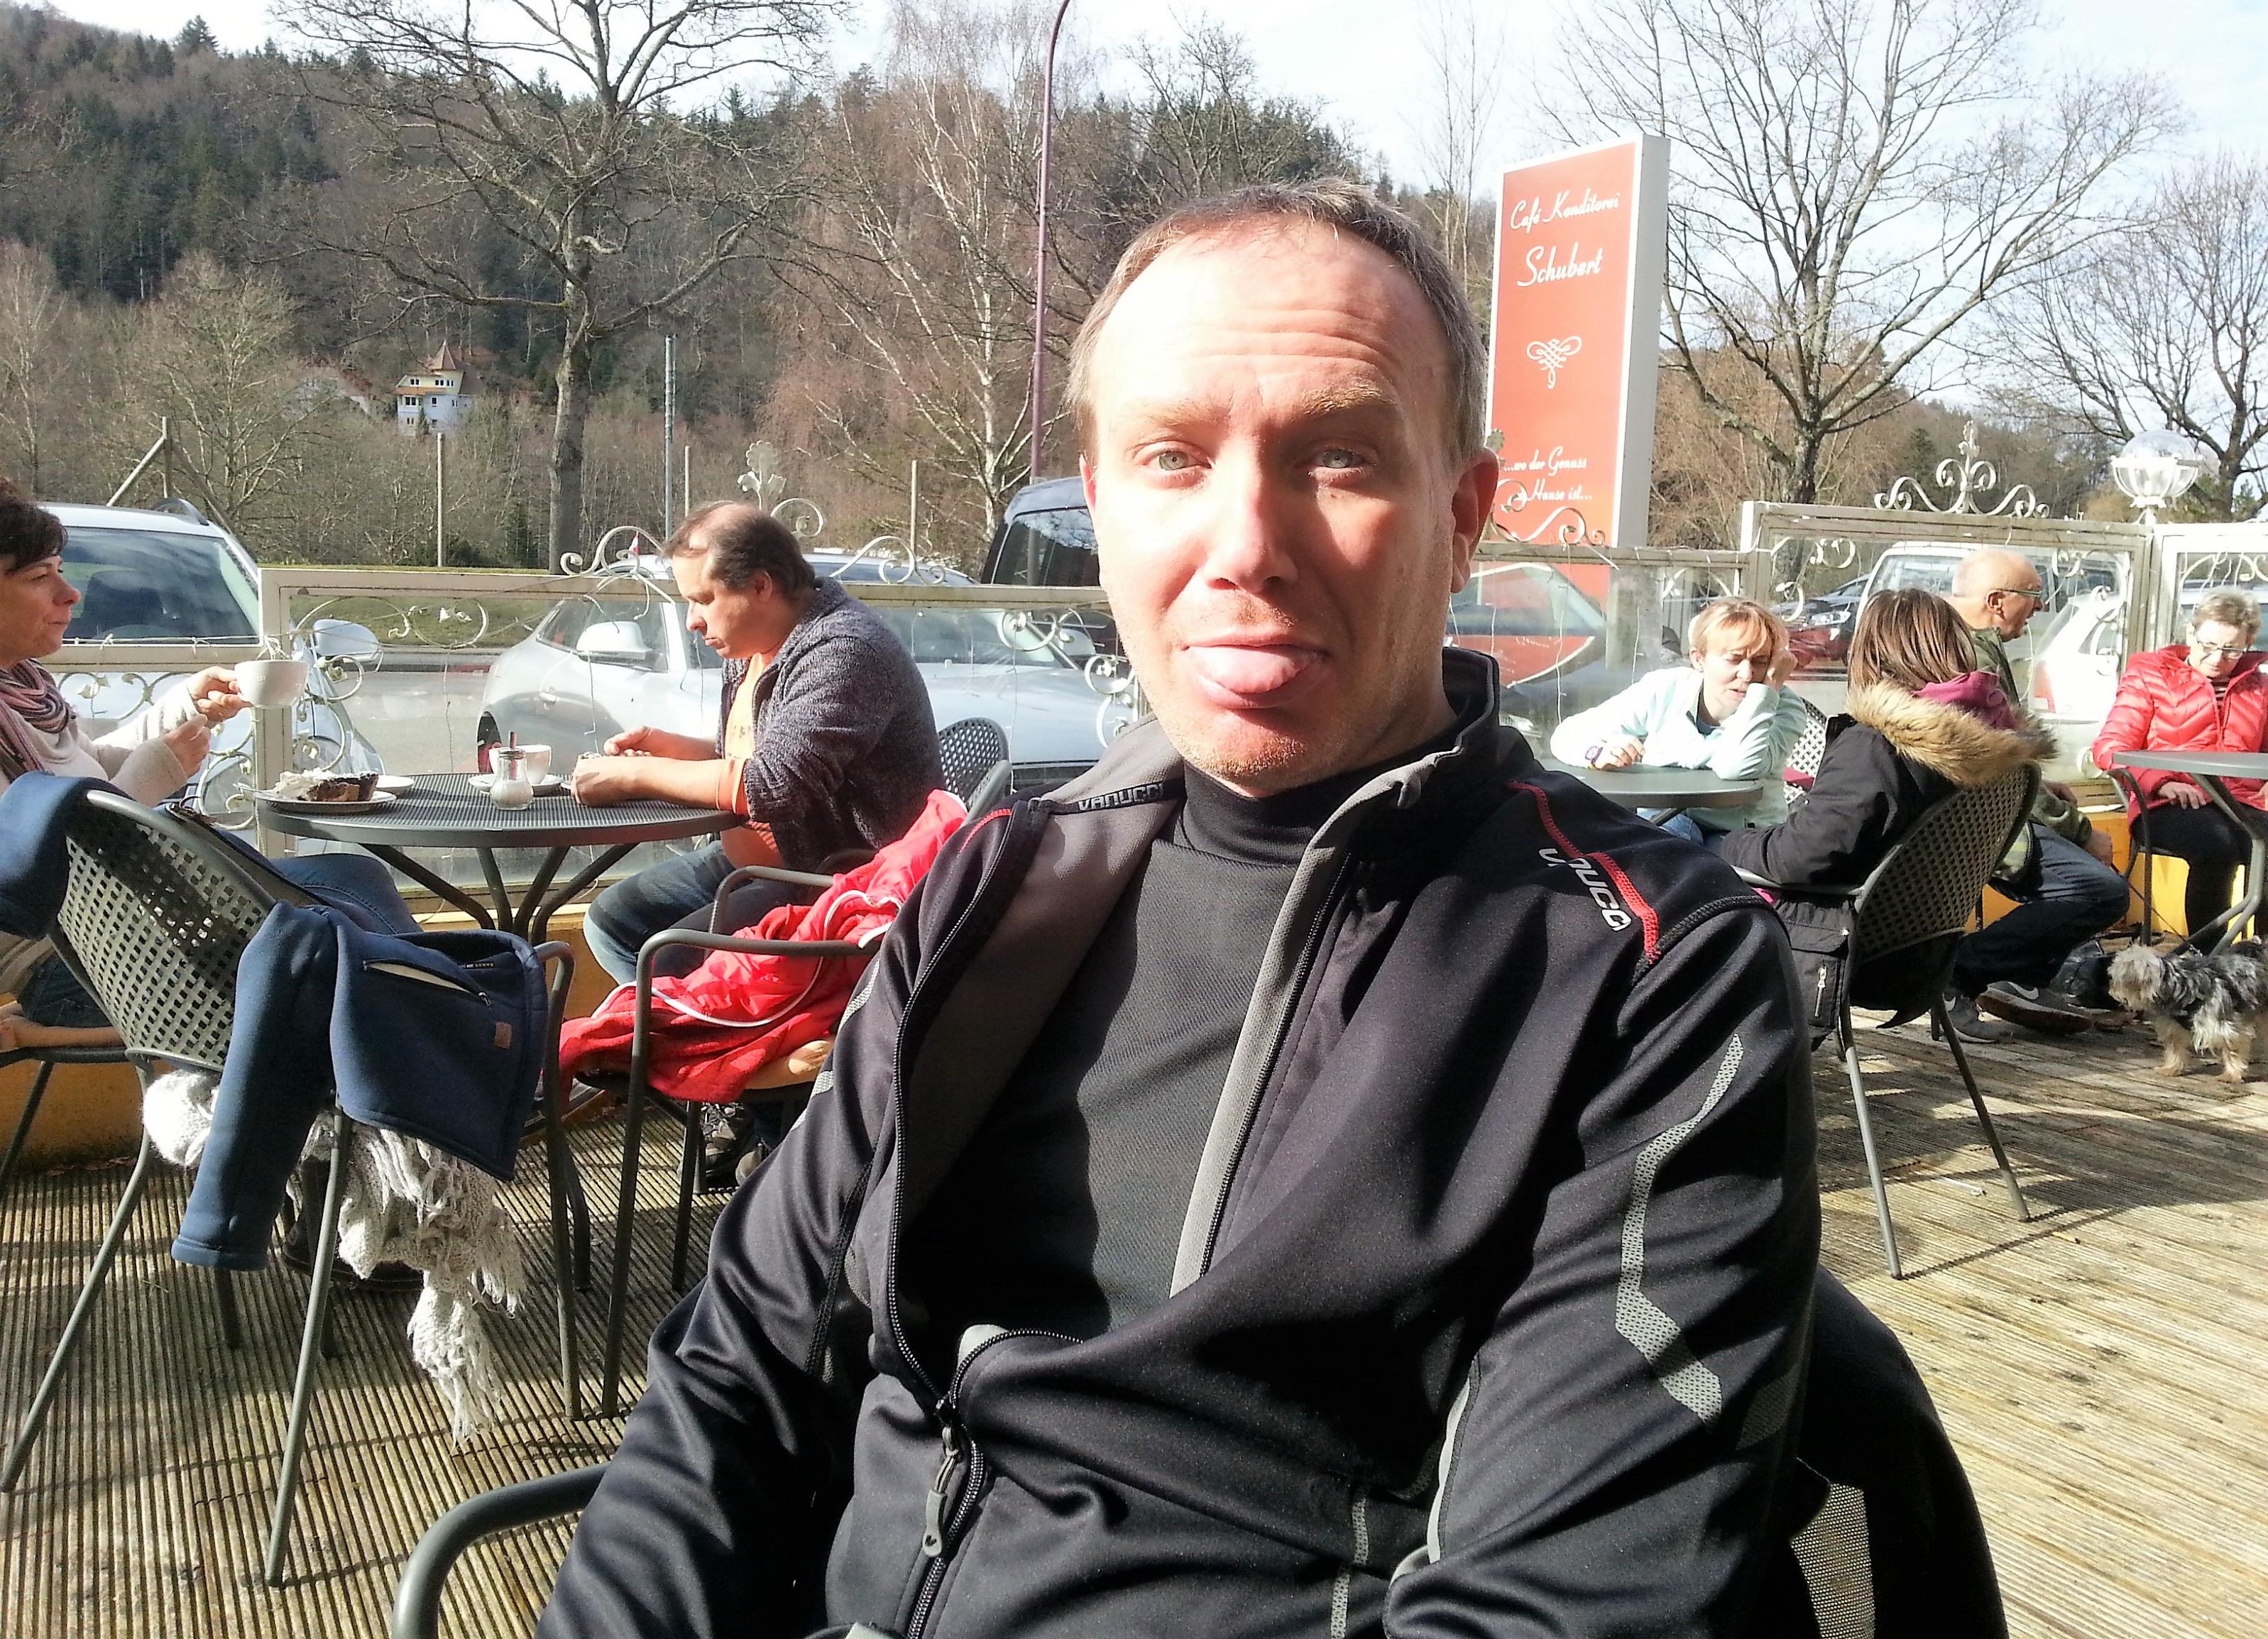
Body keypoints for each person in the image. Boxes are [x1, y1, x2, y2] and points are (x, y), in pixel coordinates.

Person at [542, 182, 1819, 1637]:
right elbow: (740, 1366)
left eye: (1339, 457)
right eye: (1172, 459)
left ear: (1463, 518)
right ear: (1100, 508)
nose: (1245, 544)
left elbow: (1556, 1606)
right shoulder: (995, 886)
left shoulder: (1651, 974)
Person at [571, 503, 943, 986]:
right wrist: (672, 749)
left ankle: (699, 1028)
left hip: (833, 883)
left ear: (760, 586)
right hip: (759, 862)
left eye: (703, 599)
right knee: (613, 922)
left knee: (667, 961)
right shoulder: (755, 644)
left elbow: (774, 785)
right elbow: (758, 757)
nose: (692, 621)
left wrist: (633, 776)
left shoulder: (846, 651)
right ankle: (682, 1022)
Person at [0, 476, 247, 1052]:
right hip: (66, 964)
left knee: (331, 920)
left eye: (61, 570)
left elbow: (87, 771)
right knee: (288, 984)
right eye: (39, 577)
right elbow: (46, 858)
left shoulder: (22, 687)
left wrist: (184, 711)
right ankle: (39, 1033)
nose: (70, 594)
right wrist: (152, 776)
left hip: (117, 936)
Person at [1721, 589, 2056, 1015]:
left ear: (1871, 655)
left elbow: (1802, 857)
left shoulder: (1879, 746)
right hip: (1924, 953)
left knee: (1684, 882)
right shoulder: (1992, 742)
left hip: (1837, 949)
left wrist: (1728, 844)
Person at [1939, 549, 2127, 1037]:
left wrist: (2039, 785)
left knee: (2091, 886)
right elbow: (1999, 763)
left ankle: (2022, 978)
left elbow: (1998, 752)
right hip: (1971, 821)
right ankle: (1957, 973)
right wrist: (2081, 831)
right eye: (2033, 596)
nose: (2041, 608)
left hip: (1983, 810)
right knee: (2101, 891)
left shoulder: (1954, 639)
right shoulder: (1968, 654)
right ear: (1997, 601)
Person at [2091, 589, 2268, 948]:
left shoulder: (2259, 687)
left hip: (2242, 800)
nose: (2217, 658)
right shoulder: (2151, 674)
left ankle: (2261, 956)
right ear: (2191, 633)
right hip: (2167, 802)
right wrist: (2160, 783)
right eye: (2208, 645)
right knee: (2217, 846)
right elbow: (2110, 748)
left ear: (2248, 645)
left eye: (2232, 650)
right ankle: (2209, 958)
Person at [1548, 596, 1806, 841]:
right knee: (1652, 843)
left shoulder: (1783, 706)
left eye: (1760, 662)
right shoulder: (1666, 690)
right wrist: (1599, 752)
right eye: (1734, 659)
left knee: (1689, 859)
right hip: (1667, 819)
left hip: (1742, 832)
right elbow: (1565, 736)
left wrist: (1766, 693)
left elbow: (1738, 766)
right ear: (1699, 659)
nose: (1747, 674)